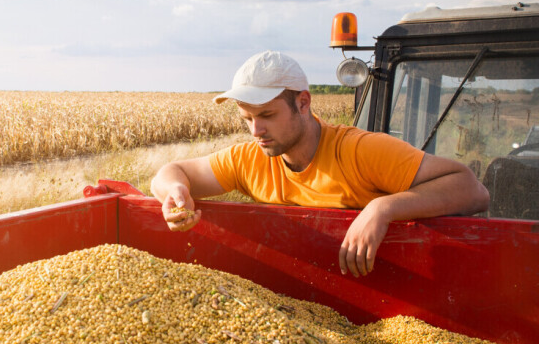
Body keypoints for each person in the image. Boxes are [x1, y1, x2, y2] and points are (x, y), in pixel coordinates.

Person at [150, 50, 489, 278]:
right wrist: (176, 192)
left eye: (267, 115)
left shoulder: (360, 151)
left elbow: (472, 190)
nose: (257, 130)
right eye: (247, 118)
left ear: (303, 103)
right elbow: (169, 174)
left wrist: (381, 209)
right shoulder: (248, 159)